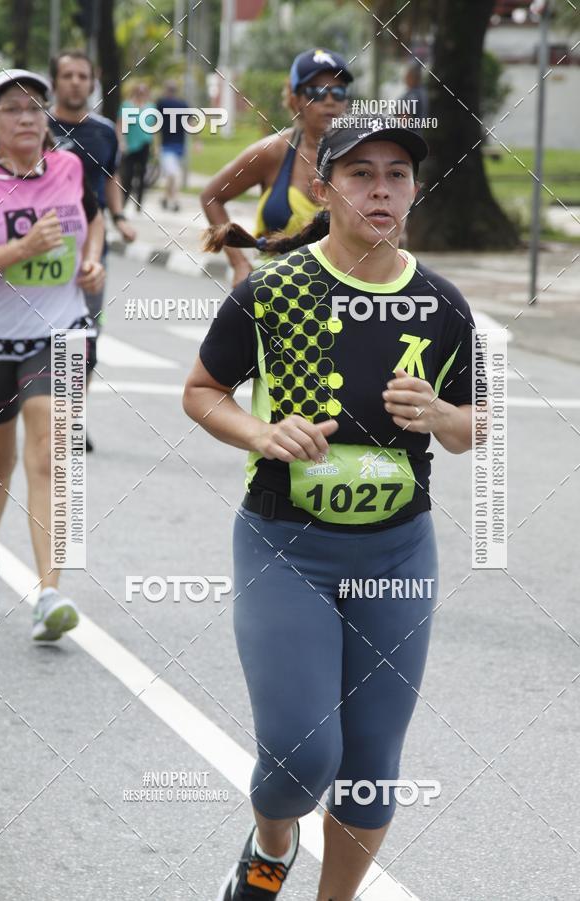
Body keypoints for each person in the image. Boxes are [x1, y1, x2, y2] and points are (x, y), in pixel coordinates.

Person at [184, 121, 478, 900]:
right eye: (360, 174)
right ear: (324, 188)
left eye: (397, 174)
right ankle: (270, 844)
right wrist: (261, 432)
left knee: (371, 769)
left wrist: (442, 416)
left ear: (415, 191)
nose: (381, 189)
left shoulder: (441, 304)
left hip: (398, 552)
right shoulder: (273, 292)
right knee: (300, 755)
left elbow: (474, 424)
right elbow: (202, 391)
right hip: (287, 547)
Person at [0, 69, 104, 639]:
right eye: (13, 108)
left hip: (61, 333)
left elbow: (93, 220)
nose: (28, 117)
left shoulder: (70, 167)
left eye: (36, 106)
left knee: (52, 455)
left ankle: (50, 592)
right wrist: (22, 248)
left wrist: (91, 260)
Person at [200, 48, 353, 286]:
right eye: (317, 92)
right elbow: (211, 197)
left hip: (340, 294)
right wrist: (239, 264)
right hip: (272, 292)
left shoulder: (363, 156)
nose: (330, 100)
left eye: (339, 91)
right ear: (295, 99)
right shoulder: (274, 152)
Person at [49, 49, 136, 451]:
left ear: (92, 82)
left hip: (89, 248)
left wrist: (119, 217)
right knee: (39, 335)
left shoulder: (103, 131)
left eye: (83, 76)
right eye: (68, 75)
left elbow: (111, 178)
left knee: (85, 338)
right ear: (55, 80)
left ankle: (71, 419)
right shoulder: (38, 127)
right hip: (38, 247)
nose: (75, 83)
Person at [117, 82, 154, 210]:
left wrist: (155, 146)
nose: (141, 95)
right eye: (139, 92)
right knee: (127, 174)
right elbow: (120, 125)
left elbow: (154, 127)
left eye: (143, 93)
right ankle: (124, 201)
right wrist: (121, 142)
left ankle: (139, 202)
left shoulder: (150, 107)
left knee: (142, 174)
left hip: (145, 144)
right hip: (130, 145)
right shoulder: (126, 105)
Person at [156, 79, 188, 212]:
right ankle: (175, 201)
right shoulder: (183, 104)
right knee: (173, 173)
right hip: (177, 145)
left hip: (168, 144)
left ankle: (165, 198)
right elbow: (191, 123)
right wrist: (198, 141)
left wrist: (155, 145)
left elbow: (156, 125)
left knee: (172, 174)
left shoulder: (161, 103)